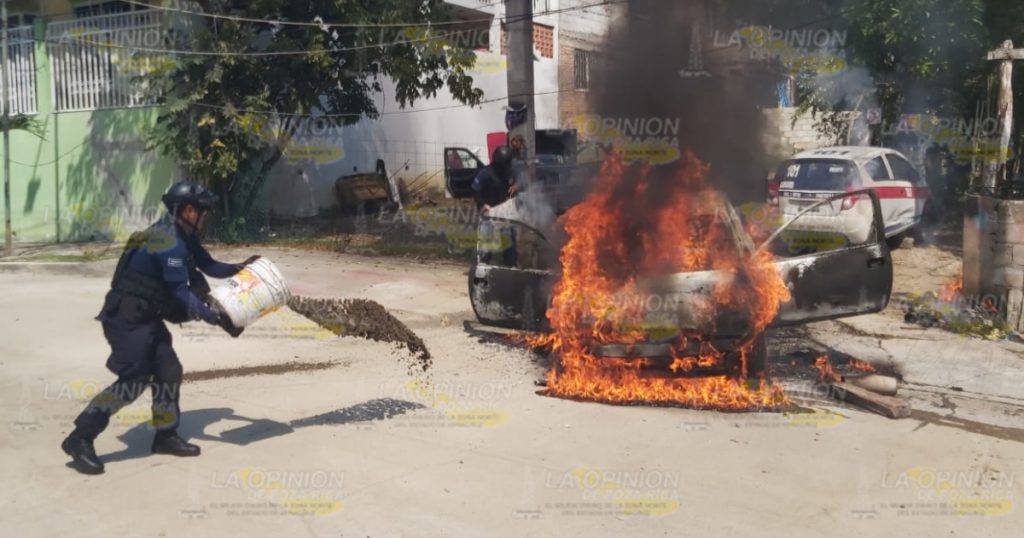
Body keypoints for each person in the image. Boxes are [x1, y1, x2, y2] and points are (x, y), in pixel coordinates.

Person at [61, 181, 258, 475]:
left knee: (168, 370)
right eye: (203, 211)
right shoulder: (169, 242)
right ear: (189, 211)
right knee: (134, 380)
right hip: (126, 318)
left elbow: (209, 265)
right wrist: (214, 317)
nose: (205, 217)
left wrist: (242, 268)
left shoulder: (183, 234)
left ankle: (165, 435)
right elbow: (180, 293)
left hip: (147, 316)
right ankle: (80, 437)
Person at [472, 146, 516, 213]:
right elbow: (475, 190)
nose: (509, 166)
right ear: (501, 163)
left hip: (502, 208)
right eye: (507, 163)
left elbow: (510, 183)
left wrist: (513, 187)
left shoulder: (506, 172)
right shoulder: (485, 173)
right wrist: (483, 204)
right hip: (487, 210)